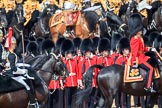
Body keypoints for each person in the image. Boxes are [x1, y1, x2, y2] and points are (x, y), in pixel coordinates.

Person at [4, 27, 38, 107]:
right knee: (27, 85)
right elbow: (14, 68)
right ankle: (32, 102)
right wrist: (23, 71)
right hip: (12, 75)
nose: (15, 46)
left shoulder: (7, 54)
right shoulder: (12, 55)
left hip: (7, 73)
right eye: (14, 44)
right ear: (11, 45)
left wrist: (26, 65)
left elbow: (12, 64)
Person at [128, 13, 156, 93]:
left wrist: (150, 49)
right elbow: (134, 52)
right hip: (139, 59)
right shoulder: (135, 39)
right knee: (150, 69)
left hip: (142, 57)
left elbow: (142, 49)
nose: (141, 30)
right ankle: (148, 86)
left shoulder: (139, 38)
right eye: (140, 29)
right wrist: (135, 61)